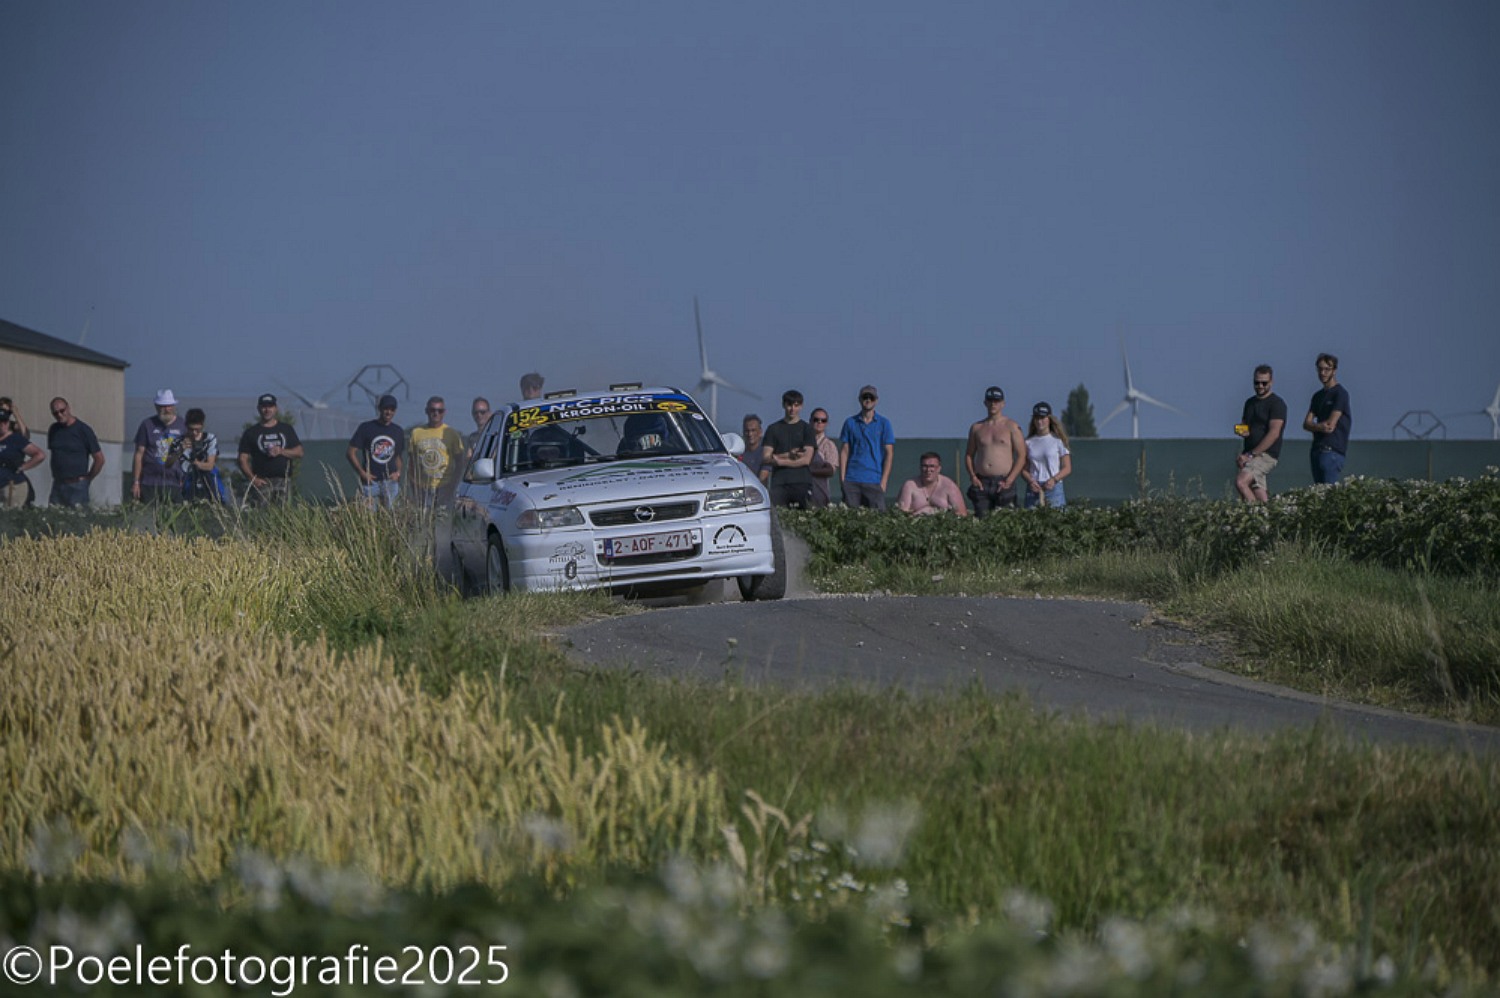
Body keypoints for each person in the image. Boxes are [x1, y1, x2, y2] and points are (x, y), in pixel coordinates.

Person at [964, 386, 1027, 515]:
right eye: (990, 400)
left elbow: (1021, 455)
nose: (993, 404)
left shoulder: (1012, 426)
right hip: (982, 482)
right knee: (982, 521)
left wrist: (1010, 479)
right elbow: (969, 455)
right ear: (985, 403)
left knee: (1004, 523)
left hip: (1003, 481)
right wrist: (973, 476)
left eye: (997, 401)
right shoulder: (977, 428)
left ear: (1003, 404)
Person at [238, 393, 304, 506]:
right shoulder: (251, 433)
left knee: (284, 515)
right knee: (262, 516)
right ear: (259, 409)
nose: (267, 410)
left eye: (270, 406)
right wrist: (253, 479)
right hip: (262, 482)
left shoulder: (286, 429)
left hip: (283, 481)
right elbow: (242, 459)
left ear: (276, 408)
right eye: (264, 407)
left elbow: (299, 452)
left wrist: (281, 451)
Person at [1235, 366, 1287, 503]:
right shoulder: (1250, 403)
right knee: (1258, 491)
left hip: (1265, 454)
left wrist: (1251, 454)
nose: (1260, 386)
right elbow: (1244, 425)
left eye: (1264, 383)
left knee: (1241, 482)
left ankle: (1254, 516)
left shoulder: (1277, 404)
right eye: (1257, 383)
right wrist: (1241, 430)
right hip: (1249, 453)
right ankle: (1268, 516)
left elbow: (1274, 433)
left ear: (1271, 382)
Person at [839, 385, 895, 509]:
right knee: (851, 520)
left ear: (876, 400)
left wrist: (884, 482)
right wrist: (843, 479)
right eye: (865, 397)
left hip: (874, 480)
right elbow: (844, 451)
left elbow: (889, 453)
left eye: (871, 397)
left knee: (877, 521)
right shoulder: (850, 423)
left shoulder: (884, 424)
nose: (868, 400)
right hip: (852, 479)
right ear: (859, 399)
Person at [760, 389, 816, 508]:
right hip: (779, 483)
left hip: (802, 482)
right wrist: (788, 455)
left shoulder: (807, 429)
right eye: (789, 405)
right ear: (783, 405)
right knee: (779, 520)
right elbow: (766, 457)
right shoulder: (773, 429)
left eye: (796, 405)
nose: (792, 409)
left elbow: (806, 460)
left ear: (801, 406)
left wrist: (780, 461)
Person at [407, 395, 465, 509]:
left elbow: (459, 462)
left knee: (441, 521)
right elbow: (411, 462)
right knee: (423, 522)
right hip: (422, 488)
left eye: (440, 410)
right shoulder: (416, 433)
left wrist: (452, 485)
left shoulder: (451, 434)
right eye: (432, 410)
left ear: (444, 412)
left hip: (444, 487)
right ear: (426, 411)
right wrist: (413, 485)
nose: (436, 413)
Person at [46, 397, 105, 507]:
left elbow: (99, 459)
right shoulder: (54, 430)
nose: (59, 415)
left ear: (68, 408)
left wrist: (88, 478)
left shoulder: (83, 430)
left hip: (77, 485)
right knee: (53, 519)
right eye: (55, 413)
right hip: (58, 484)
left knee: (76, 520)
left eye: (62, 411)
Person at [347, 394, 405, 507]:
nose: (389, 412)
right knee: (369, 518)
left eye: (392, 409)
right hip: (370, 483)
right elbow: (350, 452)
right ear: (380, 409)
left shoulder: (398, 431)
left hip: (390, 483)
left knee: (392, 517)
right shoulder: (366, 428)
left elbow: (397, 456)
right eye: (386, 408)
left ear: (395, 411)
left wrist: (398, 473)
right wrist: (362, 473)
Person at [131, 389, 187, 504]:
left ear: (173, 406)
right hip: (149, 483)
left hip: (173, 483)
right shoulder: (147, 425)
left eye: (169, 406)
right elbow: (139, 454)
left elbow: (187, 455)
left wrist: (185, 479)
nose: (166, 409)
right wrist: (136, 482)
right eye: (163, 406)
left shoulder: (183, 426)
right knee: (149, 517)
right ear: (157, 406)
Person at [1303, 353, 1351, 485]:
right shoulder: (1317, 396)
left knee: (1328, 493)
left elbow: (1330, 425)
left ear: (1334, 371)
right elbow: (1306, 423)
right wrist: (1319, 427)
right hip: (1316, 449)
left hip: (1332, 451)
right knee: (1318, 494)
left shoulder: (1340, 393)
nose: (1322, 373)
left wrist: (1316, 426)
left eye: (1327, 369)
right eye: (1320, 369)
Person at [1022, 402, 1071, 509]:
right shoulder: (1028, 442)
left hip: (1054, 487)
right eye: (1037, 418)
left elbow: (1067, 468)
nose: (1040, 421)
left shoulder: (1058, 441)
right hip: (1034, 487)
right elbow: (1024, 469)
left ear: (1049, 419)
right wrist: (1031, 481)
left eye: (1042, 418)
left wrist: (1054, 479)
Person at [0, 400, 44, 508]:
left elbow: (25, 435)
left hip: (12, 484)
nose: (2, 425)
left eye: (4, 422)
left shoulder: (15, 437)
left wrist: (22, 467)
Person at [896, 452, 968, 516]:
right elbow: (901, 515)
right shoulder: (909, 486)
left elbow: (962, 514)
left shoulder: (949, 486)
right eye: (925, 466)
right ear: (920, 467)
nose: (928, 470)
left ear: (939, 468)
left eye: (932, 466)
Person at [181, 408, 227, 503]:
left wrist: (196, 463)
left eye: (197, 430)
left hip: (208, 480)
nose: (194, 433)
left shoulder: (210, 438)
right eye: (191, 429)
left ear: (202, 425)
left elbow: (210, 465)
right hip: (188, 480)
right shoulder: (180, 441)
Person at [808, 407, 840, 508]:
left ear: (826, 424)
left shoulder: (829, 445)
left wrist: (809, 471)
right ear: (810, 421)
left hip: (820, 491)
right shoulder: (802, 442)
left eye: (823, 420)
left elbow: (831, 470)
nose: (819, 422)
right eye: (816, 420)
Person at [740, 414, 766, 478]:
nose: (750, 434)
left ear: (760, 432)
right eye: (747, 431)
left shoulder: (765, 453)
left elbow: (763, 478)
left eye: (753, 430)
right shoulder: (739, 452)